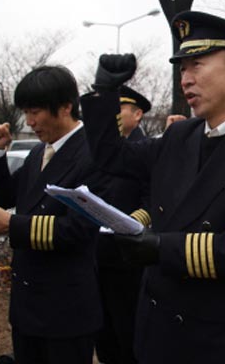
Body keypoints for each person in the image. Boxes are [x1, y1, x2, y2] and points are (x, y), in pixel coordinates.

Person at [80, 11, 225, 364]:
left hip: (218, 335)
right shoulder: (179, 135)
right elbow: (113, 159)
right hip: (158, 324)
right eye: (182, 68)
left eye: (197, 65)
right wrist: (105, 93)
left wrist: (162, 248)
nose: (186, 79)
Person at [0, 66, 110, 364]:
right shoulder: (39, 153)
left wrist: (11, 224)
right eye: (26, 112)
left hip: (66, 308)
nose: (30, 122)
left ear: (65, 107)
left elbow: (78, 229)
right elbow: (7, 196)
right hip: (28, 304)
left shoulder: (94, 154)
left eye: (35, 112)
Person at [95, 85, 152, 364]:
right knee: (103, 335)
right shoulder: (102, 152)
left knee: (129, 332)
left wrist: (128, 224)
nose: (114, 116)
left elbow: (154, 201)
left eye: (120, 109)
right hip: (98, 254)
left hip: (129, 256)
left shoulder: (146, 150)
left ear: (138, 114)